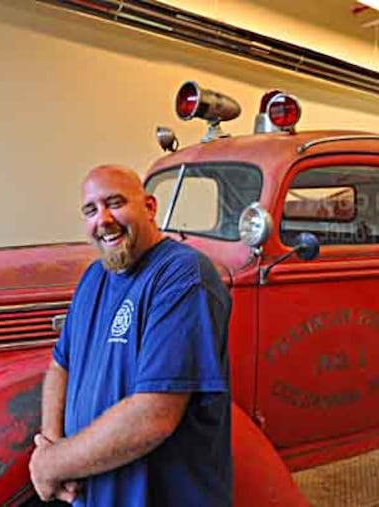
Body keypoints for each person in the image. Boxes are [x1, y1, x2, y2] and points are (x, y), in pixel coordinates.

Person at [29, 164, 232, 507]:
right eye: (91, 210)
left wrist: (50, 465)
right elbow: (60, 365)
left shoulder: (182, 274)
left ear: (150, 207)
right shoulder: (93, 277)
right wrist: (51, 444)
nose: (103, 219)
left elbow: (154, 414)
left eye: (115, 202)